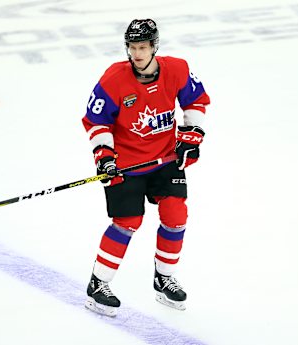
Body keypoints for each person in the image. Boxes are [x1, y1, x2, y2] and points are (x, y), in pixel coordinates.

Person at [82, 19, 210, 317]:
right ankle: (98, 283)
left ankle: (164, 277)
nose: (136, 54)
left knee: (176, 214)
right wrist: (104, 155)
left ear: (154, 47)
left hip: (165, 159)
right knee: (127, 222)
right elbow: (96, 120)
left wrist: (191, 135)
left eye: (142, 47)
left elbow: (196, 100)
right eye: (132, 47)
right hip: (126, 165)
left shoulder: (177, 68)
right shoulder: (114, 78)